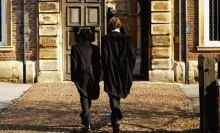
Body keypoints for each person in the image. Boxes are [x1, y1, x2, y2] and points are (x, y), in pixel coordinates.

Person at [101, 16, 136, 133]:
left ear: (110, 26)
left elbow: (105, 56)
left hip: (110, 70)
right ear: (119, 26)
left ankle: (115, 115)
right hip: (123, 70)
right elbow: (132, 56)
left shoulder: (105, 39)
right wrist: (129, 69)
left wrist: (104, 70)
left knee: (112, 93)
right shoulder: (127, 39)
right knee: (117, 92)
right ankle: (115, 116)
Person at [71, 27, 101, 132]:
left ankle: (87, 121)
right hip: (92, 74)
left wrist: (73, 78)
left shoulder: (75, 48)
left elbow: (74, 64)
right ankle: (85, 116)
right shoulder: (95, 48)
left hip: (80, 74)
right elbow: (98, 64)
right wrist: (98, 76)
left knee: (84, 96)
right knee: (87, 96)